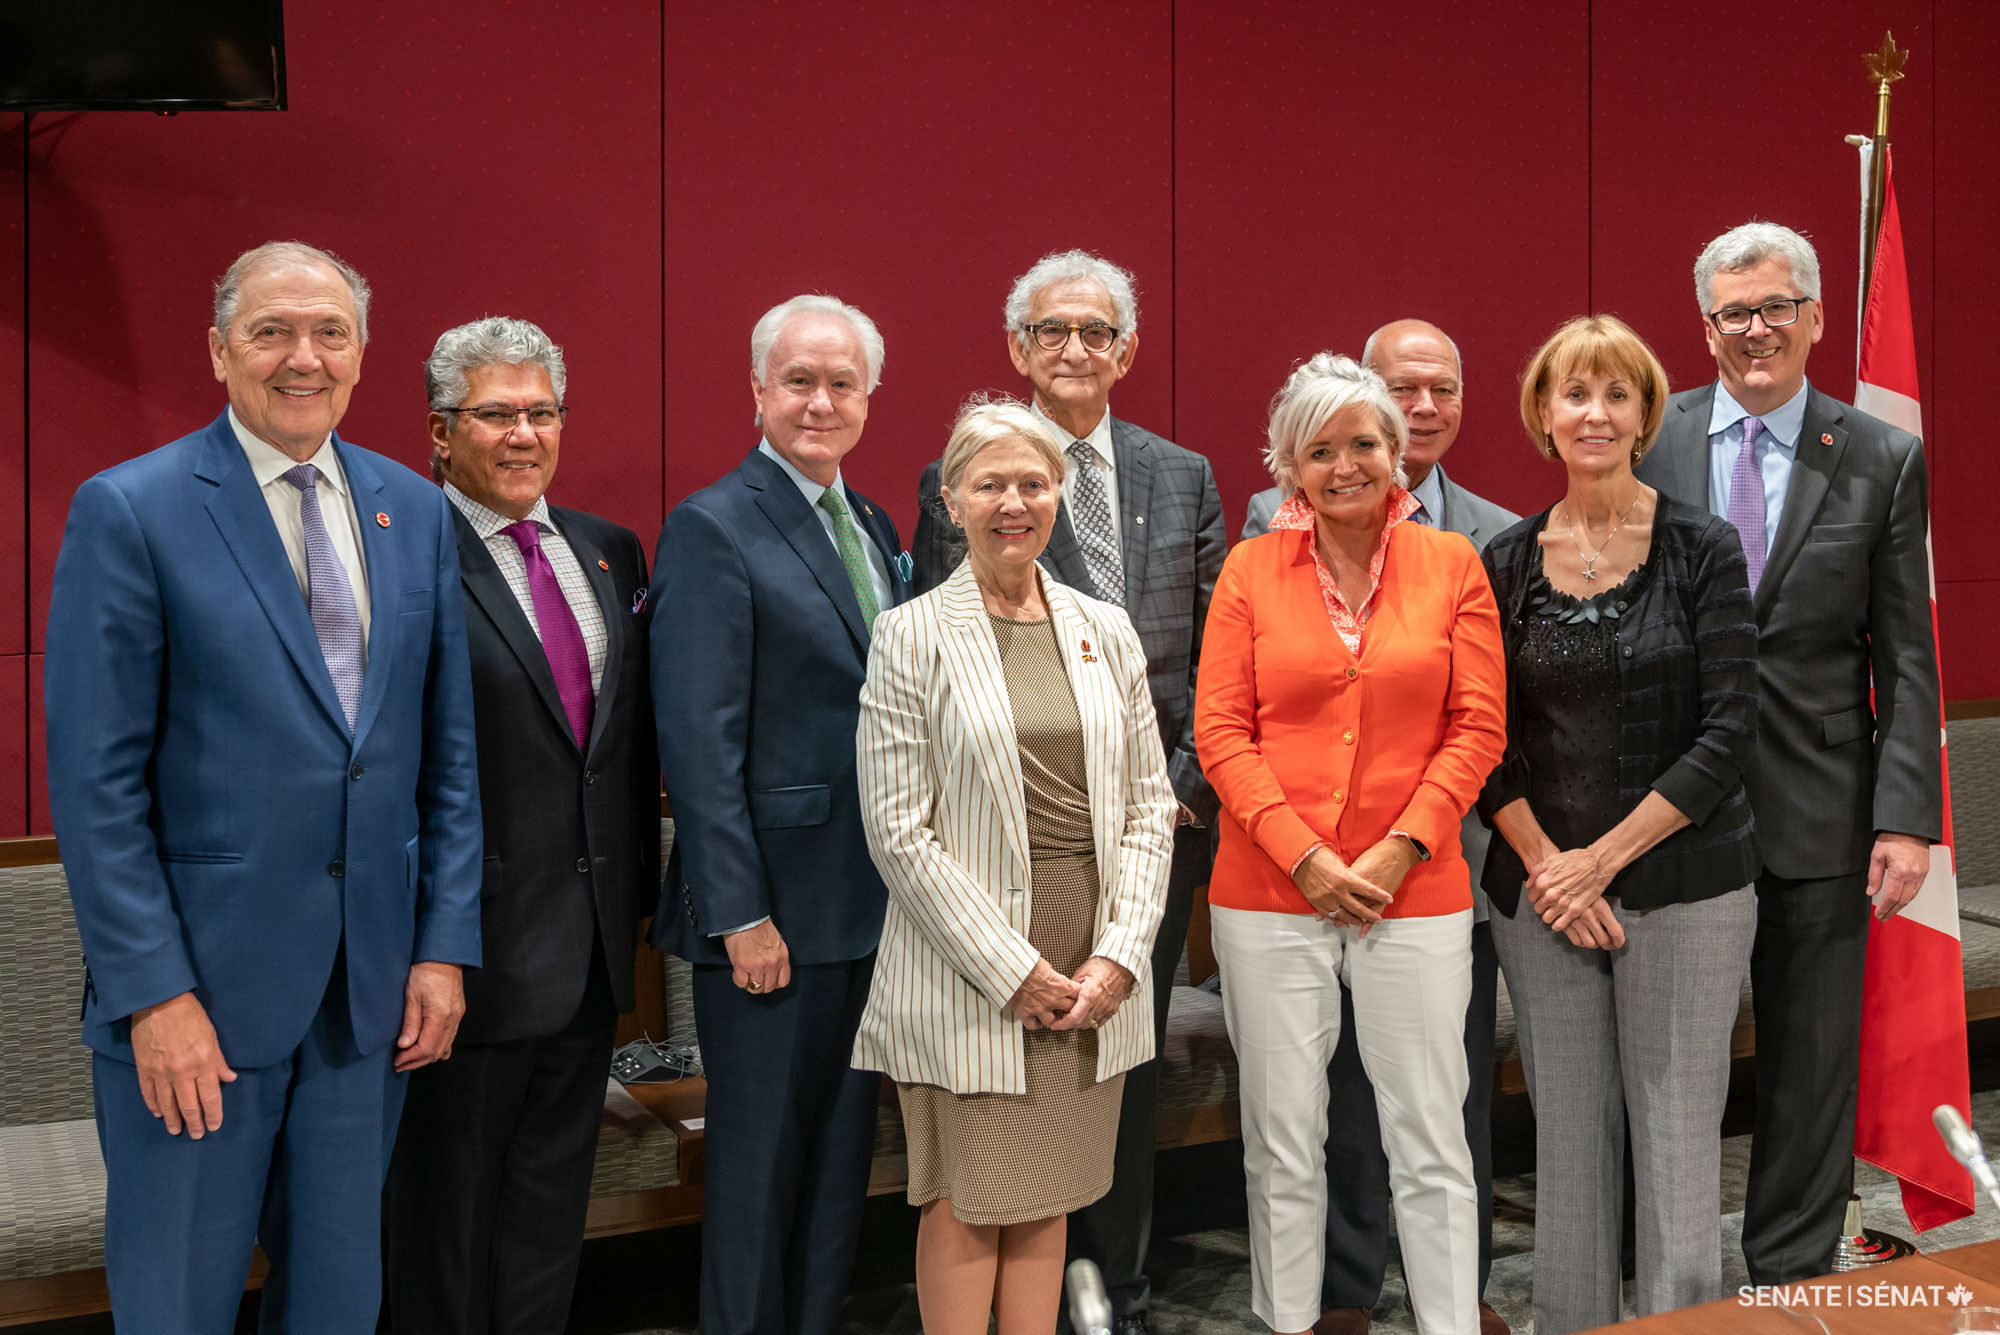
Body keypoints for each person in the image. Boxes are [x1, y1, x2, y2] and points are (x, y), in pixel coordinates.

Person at [42, 241, 482, 1333]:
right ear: (220, 351)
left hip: (365, 1003)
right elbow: (97, 787)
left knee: (337, 1304)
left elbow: (446, 755)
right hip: (198, 1006)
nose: (303, 357)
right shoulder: (133, 509)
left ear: (362, 353)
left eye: (329, 333)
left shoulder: (413, 511)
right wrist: (153, 993)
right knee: (177, 1305)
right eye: (272, 331)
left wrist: (440, 947)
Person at [912, 250, 1224, 1331]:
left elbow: (1216, 655)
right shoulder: (960, 474)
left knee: (1118, 1067)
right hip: (1003, 850)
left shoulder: (1180, 474)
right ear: (1017, 348)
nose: (1075, 349)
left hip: (1152, 832)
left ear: (1127, 349)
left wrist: (1176, 788)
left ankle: (1117, 1293)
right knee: (1017, 1070)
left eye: (1097, 331)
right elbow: (933, 661)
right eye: (1052, 331)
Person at [1635, 222, 1943, 1285]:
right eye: (1732, 312)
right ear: (1704, 326)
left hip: (1822, 806)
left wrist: (1906, 819)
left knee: (1809, 1063)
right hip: (1671, 808)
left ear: (1814, 317)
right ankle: (1667, 1271)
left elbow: (1906, 652)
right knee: (1671, 1061)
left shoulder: (1877, 454)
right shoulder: (1648, 437)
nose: (1753, 329)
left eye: (1774, 307)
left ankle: (1788, 1271)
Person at [1195, 353, 1505, 1335]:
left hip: (1413, 895)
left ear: (1394, 453)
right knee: (1282, 1141)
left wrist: (1400, 847)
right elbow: (1220, 732)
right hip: (1265, 895)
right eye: (1318, 449)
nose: (1343, 466)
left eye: (1362, 444)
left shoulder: (1450, 562)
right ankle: (1290, 1322)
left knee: (1429, 1140)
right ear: (1288, 463)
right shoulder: (1248, 570)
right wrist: (1302, 855)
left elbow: (1477, 727)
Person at [854, 395, 1175, 1335]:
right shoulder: (909, 634)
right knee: (967, 1199)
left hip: (1091, 962)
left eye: (1033, 483)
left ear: (1061, 493)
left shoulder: (1103, 625)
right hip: (971, 967)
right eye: (989, 482)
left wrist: (1119, 955)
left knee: (1051, 1194)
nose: (1013, 502)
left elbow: (1151, 804)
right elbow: (899, 831)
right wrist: (1012, 971)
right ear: (951, 497)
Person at [1480, 315, 1760, 1332]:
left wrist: (1597, 862)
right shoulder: (1502, 559)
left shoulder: (1700, 547)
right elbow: (1482, 736)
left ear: (1644, 414)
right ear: (1541, 415)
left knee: (1678, 1146)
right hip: (1539, 898)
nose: (1592, 413)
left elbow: (1728, 729)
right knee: (1568, 1147)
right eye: (1572, 394)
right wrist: (1551, 869)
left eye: (1614, 394)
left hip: (1684, 892)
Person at [385, 317, 658, 1333]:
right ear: (440, 433)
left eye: (541, 412)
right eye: (494, 413)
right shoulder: (403, 551)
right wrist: (429, 945)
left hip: (586, 955)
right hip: (463, 964)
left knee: (548, 1216)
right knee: (443, 1228)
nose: (522, 433)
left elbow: (619, 757)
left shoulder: (604, 552)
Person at [650, 293, 910, 1335]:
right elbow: (697, 746)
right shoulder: (711, 525)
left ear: (868, 398)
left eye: (840, 383)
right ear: (758, 390)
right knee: (757, 1181)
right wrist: (737, 914)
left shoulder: (877, 525)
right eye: (798, 380)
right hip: (769, 926)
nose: (819, 401)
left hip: (866, 911)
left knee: (837, 1170)